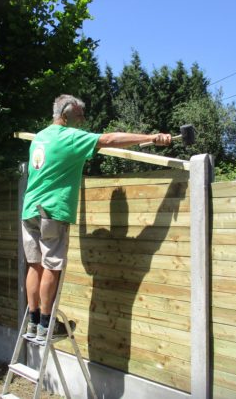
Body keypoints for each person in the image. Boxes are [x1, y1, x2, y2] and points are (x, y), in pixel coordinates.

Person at [21, 94, 171, 340]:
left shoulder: (39, 138)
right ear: (66, 113)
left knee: (34, 265)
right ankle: (47, 326)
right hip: (51, 212)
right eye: (79, 115)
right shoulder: (69, 137)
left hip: (29, 211)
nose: (83, 120)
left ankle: (33, 322)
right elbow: (110, 139)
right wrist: (152, 138)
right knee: (51, 266)